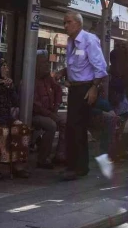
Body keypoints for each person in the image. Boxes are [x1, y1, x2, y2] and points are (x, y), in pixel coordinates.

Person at [55, 12, 107, 181]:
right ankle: (75, 165)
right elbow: (76, 65)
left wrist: (94, 88)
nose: (65, 26)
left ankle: (78, 167)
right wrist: (62, 72)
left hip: (85, 88)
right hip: (74, 88)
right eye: (64, 22)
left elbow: (100, 68)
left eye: (68, 22)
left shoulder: (89, 40)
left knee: (77, 127)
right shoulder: (71, 41)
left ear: (78, 23)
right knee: (72, 127)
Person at [32, 54, 66, 169]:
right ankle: (42, 159)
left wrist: (56, 106)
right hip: (35, 114)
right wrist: (51, 114)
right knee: (51, 125)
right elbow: (35, 106)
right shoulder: (31, 79)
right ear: (36, 65)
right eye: (43, 63)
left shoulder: (48, 79)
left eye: (47, 63)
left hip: (49, 112)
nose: (47, 66)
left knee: (65, 122)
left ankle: (60, 154)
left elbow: (58, 90)